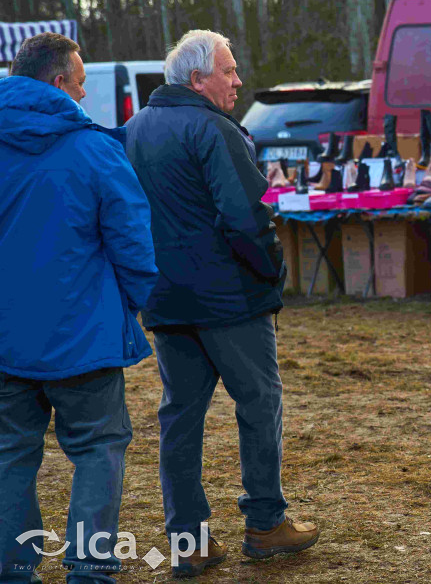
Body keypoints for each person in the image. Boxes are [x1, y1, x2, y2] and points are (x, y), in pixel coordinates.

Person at [124, 30, 317, 578]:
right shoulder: (216, 130)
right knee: (259, 406)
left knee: (179, 419)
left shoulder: (133, 130)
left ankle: (188, 540)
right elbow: (246, 217)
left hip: (165, 298)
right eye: (229, 72)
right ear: (198, 79)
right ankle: (265, 524)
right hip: (229, 301)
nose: (237, 82)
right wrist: (272, 272)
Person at [0, 33, 158, 583]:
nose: (86, 96)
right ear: (59, 83)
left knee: (10, 456)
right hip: (82, 338)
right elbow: (134, 245)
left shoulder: (89, 146)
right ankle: (90, 571)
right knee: (97, 449)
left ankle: (12, 570)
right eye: (83, 84)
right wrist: (135, 306)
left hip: (7, 340)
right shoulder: (93, 149)